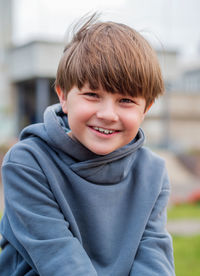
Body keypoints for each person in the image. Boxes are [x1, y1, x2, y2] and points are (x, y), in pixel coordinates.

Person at [0, 13, 175, 275]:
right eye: (92, 95)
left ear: (146, 108)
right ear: (63, 97)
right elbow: (59, 258)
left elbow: (153, 258)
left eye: (126, 100)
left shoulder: (153, 173)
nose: (107, 114)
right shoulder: (27, 162)